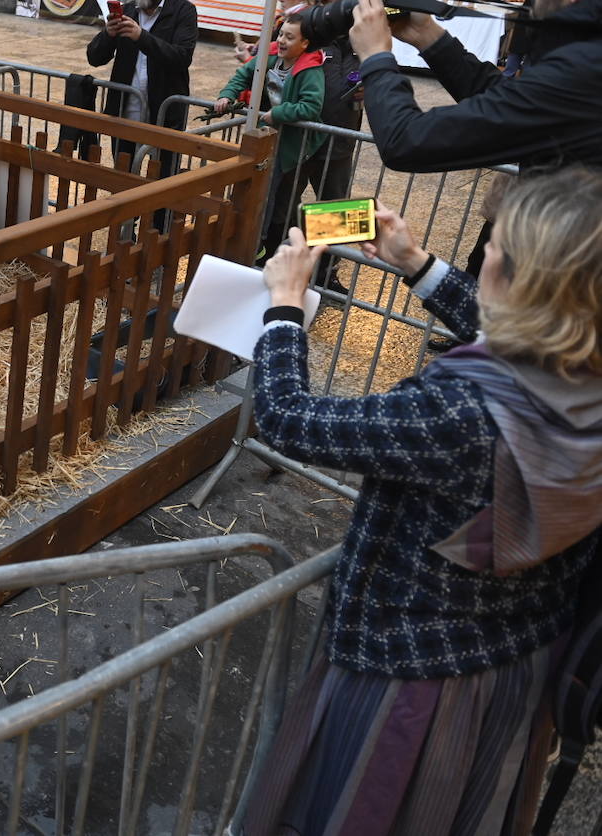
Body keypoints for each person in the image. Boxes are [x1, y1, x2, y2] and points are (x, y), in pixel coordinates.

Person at [241, 166, 602, 835]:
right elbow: (523, 331)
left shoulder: (458, 415)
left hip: (411, 674)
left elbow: (289, 418)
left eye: (489, 252)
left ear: (516, 283)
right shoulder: (581, 364)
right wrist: (415, 263)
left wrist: (285, 305)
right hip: (518, 660)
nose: (482, 257)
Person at [348, 0, 602, 174]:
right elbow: (507, 100)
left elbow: (406, 141)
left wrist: (376, 56)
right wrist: (427, 34)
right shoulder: (585, 57)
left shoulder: (585, 73)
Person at [274, 0, 365, 294]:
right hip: (299, 131)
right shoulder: (308, 21)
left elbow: (376, 63)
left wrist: (368, 83)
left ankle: (327, 273)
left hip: (339, 133)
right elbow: (278, 50)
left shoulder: (364, 27)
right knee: (283, 203)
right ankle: (281, 264)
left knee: (334, 209)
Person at [214, 13, 326, 261]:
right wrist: (227, 94)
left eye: (289, 37)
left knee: (274, 195)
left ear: (305, 43)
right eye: (281, 35)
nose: (282, 41)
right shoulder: (271, 54)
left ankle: (259, 246)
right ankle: (249, 242)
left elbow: (311, 106)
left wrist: (279, 113)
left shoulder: (310, 69)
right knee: (262, 189)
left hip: (294, 142)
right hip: (270, 136)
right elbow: (243, 74)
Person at [86, 0, 198, 175]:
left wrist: (142, 37)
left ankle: (159, 211)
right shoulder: (128, 10)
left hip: (165, 108)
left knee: (164, 174)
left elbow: (181, 57)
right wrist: (108, 34)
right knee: (123, 173)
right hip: (127, 106)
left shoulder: (183, 12)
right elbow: (94, 58)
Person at [233, 0, 319, 64]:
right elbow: (274, 49)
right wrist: (256, 49)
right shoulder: (286, 18)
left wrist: (248, 60)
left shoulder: (299, 23)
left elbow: (281, 61)